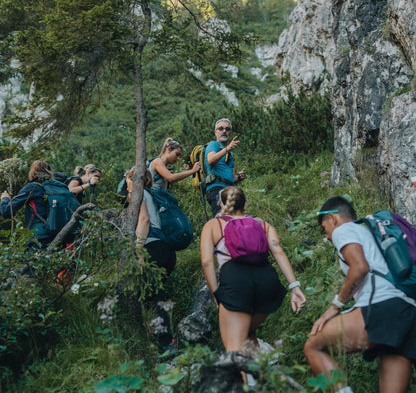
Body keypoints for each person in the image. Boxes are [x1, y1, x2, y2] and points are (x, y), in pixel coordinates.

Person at [304, 196, 416, 393]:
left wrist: (334, 307)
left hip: (382, 306)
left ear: (333, 219)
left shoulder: (343, 230)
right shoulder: (369, 233)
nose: (328, 236)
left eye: (325, 228)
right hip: (407, 311)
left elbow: (360, 268)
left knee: (313, 345)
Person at [200, 187, 306, 362]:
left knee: (234, 350)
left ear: (220, 204)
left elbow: (206, 262)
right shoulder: (262, 223)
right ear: (246, 204)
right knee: (248, 333)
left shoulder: (213, 225)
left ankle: (244, 384)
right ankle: (262, 377)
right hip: (267, 282)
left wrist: (217, 296)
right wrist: (295, 286)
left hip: (236, 283)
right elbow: (278, 252)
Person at [128, 168, 177, 353]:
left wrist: (139, 252)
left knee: (153, 299)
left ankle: (165, 345)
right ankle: (165, 341)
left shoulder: (138, 193)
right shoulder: (154, 194)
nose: (126, 184)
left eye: (127, 180)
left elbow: (144, 221)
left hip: (151, 248)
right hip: (165, 249)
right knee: (157, 297)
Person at [0, 160, 54, 248]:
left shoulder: (32, 187)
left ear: (33, 171)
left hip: (38, 236)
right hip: (56, 235)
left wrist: (5, 198)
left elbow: (6, 211)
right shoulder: (54, 187)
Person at [205, 118, 246, 217]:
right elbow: (210, 160)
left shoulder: (229, 154)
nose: (224, 131)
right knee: (221, 219)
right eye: (221, 128)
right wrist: (227, 148)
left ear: (230, 133)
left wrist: (239, 178)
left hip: (229, 190)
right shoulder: (213, 144)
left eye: (227, 129)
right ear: (216, 132)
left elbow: (232, 178)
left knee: (232, 219)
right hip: (216, 188)